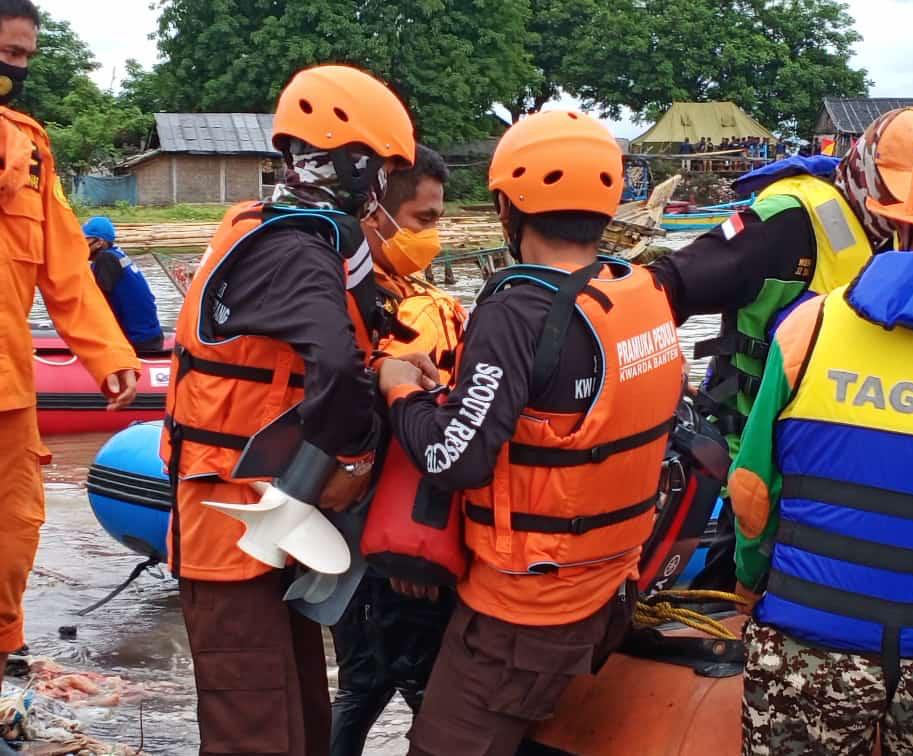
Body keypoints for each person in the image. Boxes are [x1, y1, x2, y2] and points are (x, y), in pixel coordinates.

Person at [377, 110, 684, 756]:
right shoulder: (641, 292)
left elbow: (453, 454)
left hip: (524, 610)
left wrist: (400, 390)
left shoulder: (517, 312)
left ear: (509, 209)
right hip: (609, 587)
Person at [159, 63, 425, 756]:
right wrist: (360, 455)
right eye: (382, 171)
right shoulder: (292, 247)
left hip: (267, 513)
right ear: (352, 160)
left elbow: (329, 359)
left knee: (300, 711)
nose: (383, 189)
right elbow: (335, 370)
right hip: (231, 523)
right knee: (250, 724)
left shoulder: (292, 232)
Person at [0, 2, 141, 753]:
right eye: (9, 54)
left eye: (27, 56)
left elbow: (64, 266)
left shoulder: (26, 148)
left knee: (2, 561)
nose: (19, 70)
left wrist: (110, 355)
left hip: (5, 399)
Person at [650, 107, 913, 591]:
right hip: (747, 446)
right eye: (895, 194)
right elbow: (668, 286)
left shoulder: (906, 240)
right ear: (864, 169)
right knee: (736, 583)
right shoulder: (785, 222)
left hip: (836, 461)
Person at [730, 151, 913, 755]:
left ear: (897, 228)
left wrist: (749, 586)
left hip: (812, 644)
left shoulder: (811, 325)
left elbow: (751, 487)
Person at [330, 144, 467, 756]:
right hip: (380, 536)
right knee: (381, 682)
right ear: (375, 215)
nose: (433, 235)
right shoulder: (352, 304)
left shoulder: (407, 295)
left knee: (372, 682)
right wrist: (410, 552)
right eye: (423, 220)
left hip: (388, 531)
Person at [83, 215, 164, 354]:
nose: (81, 244)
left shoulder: (105, 259)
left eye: (85, 239)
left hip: (138, 341)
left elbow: (97, 303)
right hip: (150, 335)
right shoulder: (116, 254)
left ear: (99, 242)